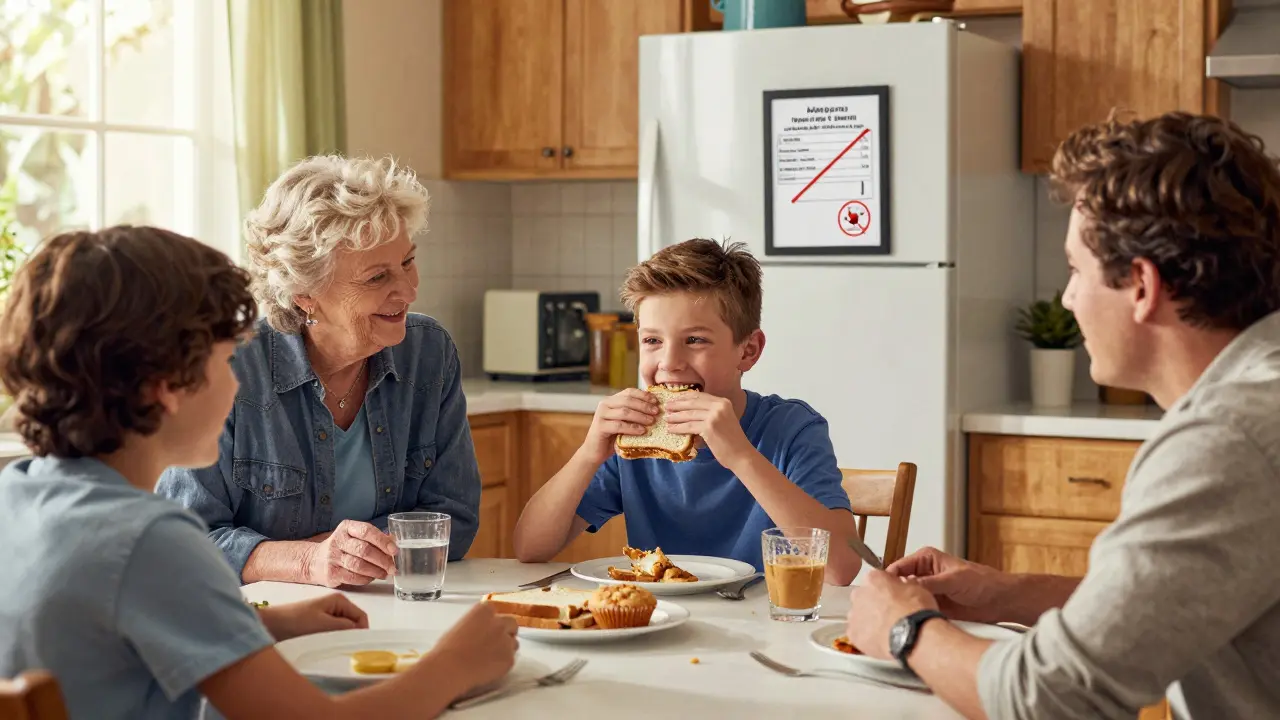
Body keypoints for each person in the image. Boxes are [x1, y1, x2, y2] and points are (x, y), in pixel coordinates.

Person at [842, 111, 1280, 719]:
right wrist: (1007, 594)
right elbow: (1170, 606)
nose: (1069, 297)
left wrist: (905, 629)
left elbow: (1053, 699)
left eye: (1076, 270)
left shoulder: (1227, 438)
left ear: (1142, 286)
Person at [0, 227, 517, 719]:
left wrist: (263, 622)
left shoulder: (16, 495)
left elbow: (111, 624)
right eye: (226, 360)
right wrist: (455, 665)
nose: (236, 383)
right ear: (166, 386)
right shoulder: (150, 541)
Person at [156, 154, 481, 587]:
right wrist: (310, 560)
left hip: (388, 605)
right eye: (376, 277)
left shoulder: (428, 353)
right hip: (259, 620)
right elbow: (182, 544)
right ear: (305, 293)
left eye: (407, 262)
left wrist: (352, 554)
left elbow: (453, 520)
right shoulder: (226, 367)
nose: (407, 289)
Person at [512, 238, 863, 583]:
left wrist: (741, 456)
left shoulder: (792, 429)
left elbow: (841, 568)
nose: (669, 363)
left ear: (748, 351)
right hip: (658, 625)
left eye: (695, 340)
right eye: (652, 341)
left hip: (765, 626)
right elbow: (530, 547)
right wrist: (589, 454)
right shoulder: (637, 438)